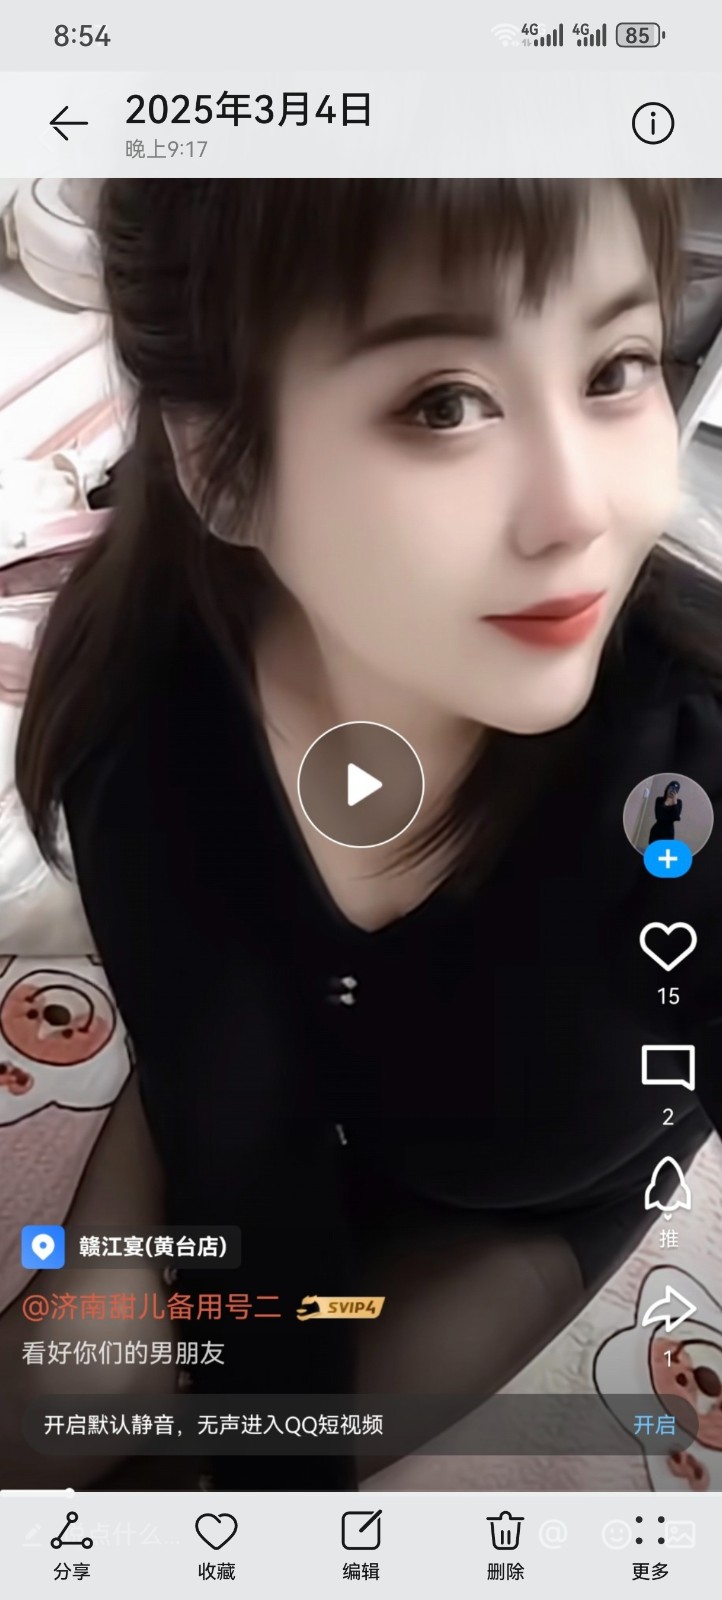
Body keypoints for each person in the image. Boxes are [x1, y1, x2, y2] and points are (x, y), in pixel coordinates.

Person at [12, 179, 722, 1494]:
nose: (578, 510)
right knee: (48, 1404)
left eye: (614, 368)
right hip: (241, 1106)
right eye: (443, 402)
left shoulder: (689, 769)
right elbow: (242, 1162)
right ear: (223, 466)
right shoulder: (146, 698)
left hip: (509, 1196)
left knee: (234, 1475)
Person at [648, 778, 683, 843]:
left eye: (675, 790)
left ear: (677, 792)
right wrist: (666, 802)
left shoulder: (678, 802)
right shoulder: (659, 800)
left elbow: (676, 818)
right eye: (671, 788)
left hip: (669, 833)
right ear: (667, 788)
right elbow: (658, 816)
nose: (673, 791)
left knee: (667, 849)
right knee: (653, 849)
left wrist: (674, 803)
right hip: (656, 831)